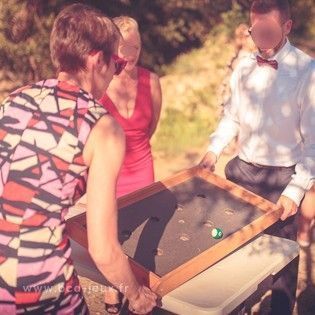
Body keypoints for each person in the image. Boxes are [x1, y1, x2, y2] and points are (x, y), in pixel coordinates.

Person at [0, 4, 157, 314]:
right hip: (40, 286)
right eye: (116, 62)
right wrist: (137, 296)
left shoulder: (14, 99)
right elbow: (105, 250)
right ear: (97, 60)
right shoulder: (103, 127)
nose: (116, 72)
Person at [199, 0, 315, 314]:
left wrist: (294, 192)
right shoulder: (244, 66)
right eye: (255, 30)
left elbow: (312, 143)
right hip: (241, 174)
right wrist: (213, 151)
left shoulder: (307, 71)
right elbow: (231, 117)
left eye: (268, 30)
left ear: (287, 27)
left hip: (281, 179)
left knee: (283, 260)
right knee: (235, 252)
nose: (260, 36)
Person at [99, 16, 162, 198]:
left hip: (144, 173)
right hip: (108, 177)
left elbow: (151, 128)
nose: (131, 54)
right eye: (125, 47)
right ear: (112, 48)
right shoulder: (99, 85)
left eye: (136, 47)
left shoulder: (152, 81)